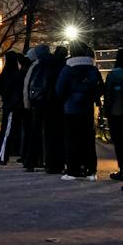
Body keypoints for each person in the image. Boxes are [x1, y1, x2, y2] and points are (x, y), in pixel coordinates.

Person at [55, 44, 103, 179]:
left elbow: (59, 89)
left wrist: (68, 98)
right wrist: (92, 97)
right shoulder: (93, 68)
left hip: (71, 109)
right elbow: (100, 87)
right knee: (88, 139)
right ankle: (91, 170)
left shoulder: (68, 68)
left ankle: (73, 170)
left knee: (72, 140)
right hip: (87, 109)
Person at [103, 48, 123, 180]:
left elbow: (107, 95)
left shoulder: (112, 75)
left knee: (119, 143)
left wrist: (106, 111)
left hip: (115, 112)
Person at [19, 44, 53, 170]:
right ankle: (47, 161)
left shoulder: (35, 66)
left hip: (37, 103)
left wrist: (27, 104)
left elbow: (27, 86)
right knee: (49, 134)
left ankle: (31, 162)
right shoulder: (53, 64)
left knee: (35, 133)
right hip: (52, 104)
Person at [40, 46, 69, 177]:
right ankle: (60, 162)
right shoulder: (65, 67)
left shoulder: (46, 65)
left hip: (48, 104)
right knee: (61, 135)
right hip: (61, 105)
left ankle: (50, 164)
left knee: (49, 135)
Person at [0, 50, 26, 164]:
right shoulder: (18, 73)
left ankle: (3, 156)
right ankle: (12, 151)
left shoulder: (6, 73)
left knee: (7, 130)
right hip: (16, 105)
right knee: (13, 130)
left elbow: (1, 88)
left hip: (10, 105)